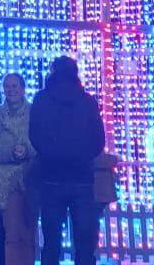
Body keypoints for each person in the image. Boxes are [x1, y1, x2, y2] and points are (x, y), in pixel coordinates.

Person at [29, 56, 105, 265]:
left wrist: (50, 154)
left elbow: (34, 135)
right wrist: (82, 155)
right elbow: (99, 139)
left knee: (52, 243)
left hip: (51, 178)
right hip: (82, 178)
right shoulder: (87, 101)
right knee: (85, 242)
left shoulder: (42, 99)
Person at [0, 73, 36, 265]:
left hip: (28, 180)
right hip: (1, 184)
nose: (11, 90)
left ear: (22, 88)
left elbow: (40, 142)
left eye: (15, 86)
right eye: (7, 86)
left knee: (27, 233)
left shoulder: (34, 112)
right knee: (5, 235)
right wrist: (11, 152)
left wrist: (27, 150)